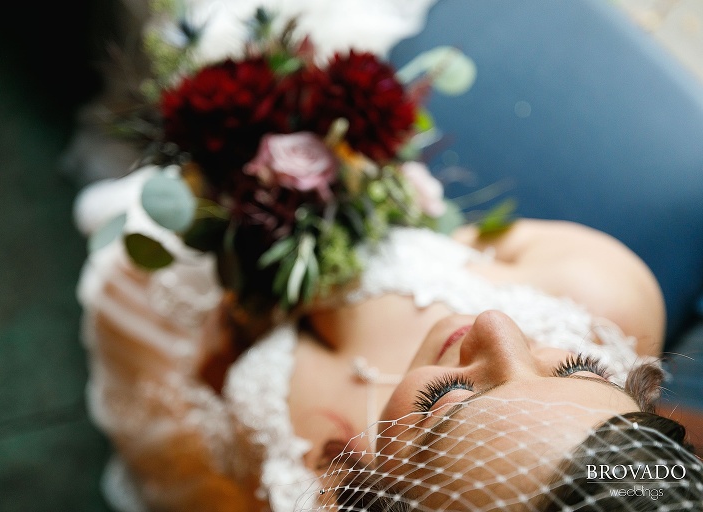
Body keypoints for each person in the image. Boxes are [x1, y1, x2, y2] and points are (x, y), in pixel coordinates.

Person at [76, 173, 702, 512]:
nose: (496, 327)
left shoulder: (299, 496)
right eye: (581, 371)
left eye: (448, 402)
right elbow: (465, 227)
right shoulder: (598, 292)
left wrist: (221, 357)